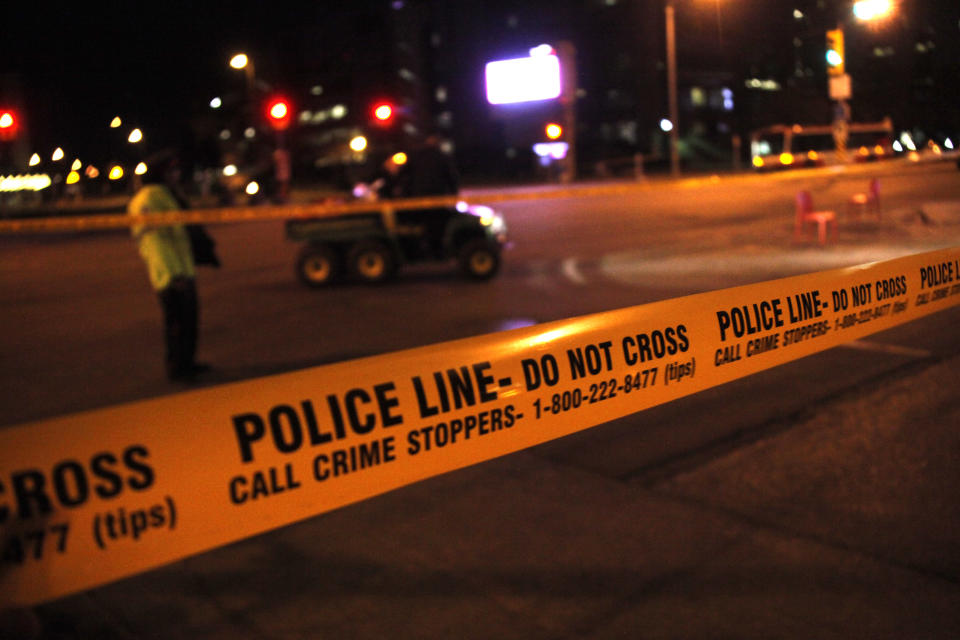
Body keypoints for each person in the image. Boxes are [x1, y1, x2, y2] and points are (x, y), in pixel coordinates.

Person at [128, 159, 209, 382]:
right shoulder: (155, 197)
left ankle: (184, 363)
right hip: (174, 272)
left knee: (182, 320)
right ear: (162, 173)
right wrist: (175, 274)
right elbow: (159, 239)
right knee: (179, 321)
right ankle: (179, 367)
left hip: (171, 269)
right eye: (173, 170)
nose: (177, 174)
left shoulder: (146, 198)